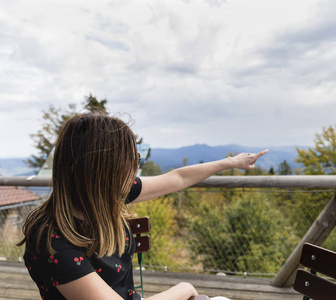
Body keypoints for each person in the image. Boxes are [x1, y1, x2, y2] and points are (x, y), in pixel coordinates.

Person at [17, 112, 268, 300]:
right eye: (132, 159)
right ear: (103, 171)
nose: (136, 165)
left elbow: (177, 178)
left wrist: (230, 163)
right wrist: (184, 289)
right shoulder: (52, 239)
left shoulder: (109, 195)